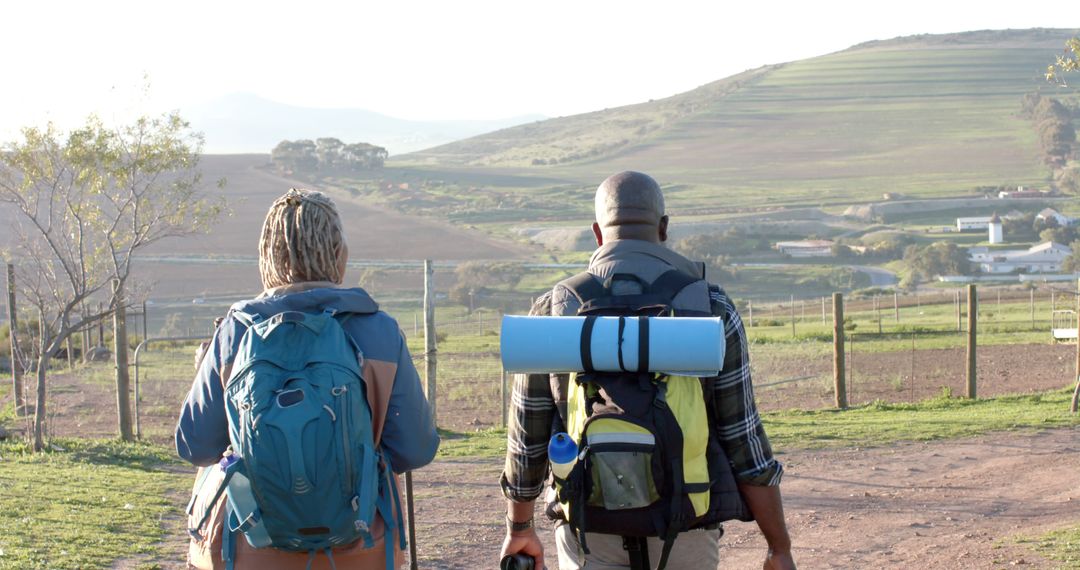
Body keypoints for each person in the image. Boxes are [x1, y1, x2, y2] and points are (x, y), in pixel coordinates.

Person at [499, 171, 795, 569]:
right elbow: (745, 441)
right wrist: (778, 547)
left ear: (597, 233)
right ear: (664, 228)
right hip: (685, 527)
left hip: (589, 530)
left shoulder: (554, 310)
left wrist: (519, 530)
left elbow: (527, 442)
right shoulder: (710, 309)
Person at [176, 188, 439, 569]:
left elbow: (195, 445)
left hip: (252, 550)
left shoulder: (235, 332)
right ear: (338, 252)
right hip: (362, 548)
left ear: (268, 253)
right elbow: (416, 448)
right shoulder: (379, 331)